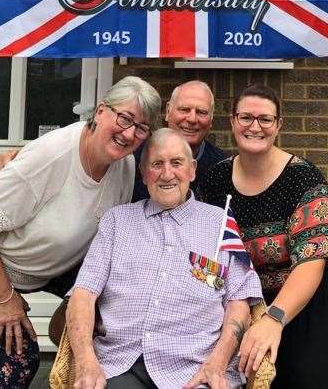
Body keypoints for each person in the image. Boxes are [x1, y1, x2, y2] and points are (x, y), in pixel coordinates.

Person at [66, 128, 262, 389]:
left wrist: (217, 361)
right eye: (157, 164)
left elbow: (239, 301)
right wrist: (86, 362)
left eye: (176, 163)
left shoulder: (220, 223)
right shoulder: (117, 221)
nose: (167, 174)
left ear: (192, 170)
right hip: (120, 364)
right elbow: (84, 294)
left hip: (194, 368)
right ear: (144, 174)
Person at [0, 75, 161, 387]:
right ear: (101, 111)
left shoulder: (124, 166)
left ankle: (70, 358)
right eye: (124, 118)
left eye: (141, 128)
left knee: (109, 321)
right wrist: (5, 299)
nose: (129, 134)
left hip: (58, 269)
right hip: (8, 268)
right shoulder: (53, 155)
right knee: (19, 363)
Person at [198, 83, 328, 389]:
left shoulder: (303, 177)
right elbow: (201, 250)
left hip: (301, 299)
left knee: (305, 377)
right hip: (238, 302)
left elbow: (312, 260)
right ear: (233, 121)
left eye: (265, 119)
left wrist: (273, 319)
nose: (255, 127)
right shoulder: (215, 180)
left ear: (278, 125)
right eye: (246, 117)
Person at [132, 80, 229, 201]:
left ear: (211, 119)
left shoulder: (222, 168)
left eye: (201, 112)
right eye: (184, 109)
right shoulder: (135, 158)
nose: (192, 119)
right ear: (168, 111)